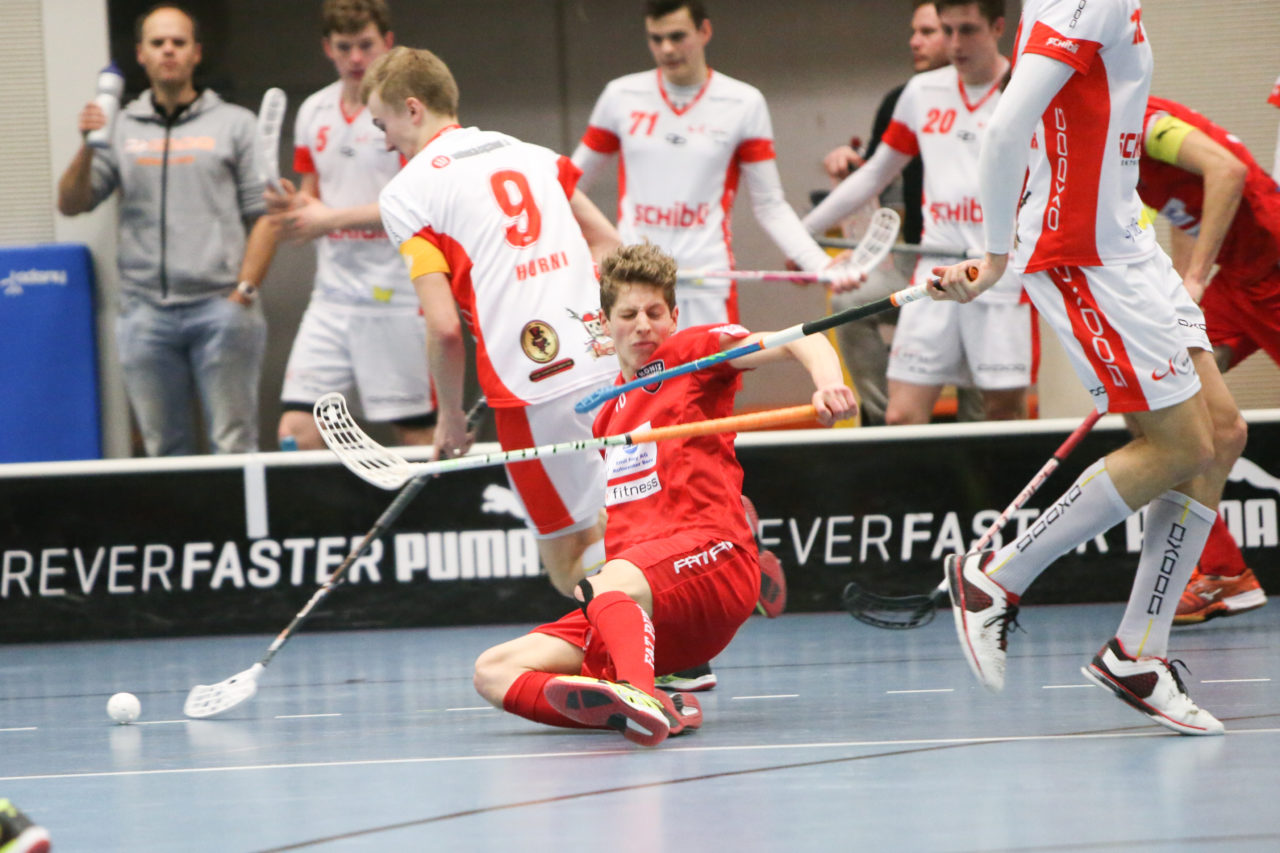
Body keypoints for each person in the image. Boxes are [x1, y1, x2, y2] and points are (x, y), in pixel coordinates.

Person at [931, 0, 1247, 735]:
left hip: (1128, 243)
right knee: (1180, 446)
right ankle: (995, 579)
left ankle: (1138, 651)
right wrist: (996, 253)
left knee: (1223, 433)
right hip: (1082, 254)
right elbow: (1008, 125)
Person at [472, 242, 857, 746]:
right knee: (493, 670)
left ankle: (639, 695)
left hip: (710, 557)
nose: (643, 325)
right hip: (646, 602)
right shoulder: (608, 417)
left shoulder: (692, 355)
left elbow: (794, 340)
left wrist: (828, 384)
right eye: (628, 314)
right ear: (605, 327)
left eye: (655, 313)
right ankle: (634, 704)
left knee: (604, 583)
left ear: (674, 317)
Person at [362, 46, 622, 598]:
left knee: (567, 558)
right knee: (615, 529)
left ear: (412, 109)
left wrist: (451, 417)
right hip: (607, 363)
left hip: (529, 390)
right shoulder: (534, 153)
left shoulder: (406, 194)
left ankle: (645, 654)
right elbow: (609, 244)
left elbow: (445, 328)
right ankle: (672, 649)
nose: (385, 140)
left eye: (382, 124)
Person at [56, 3, 278, 456]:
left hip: (221, 310)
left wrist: (245, 292)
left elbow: (268, 215)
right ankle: (184, 531)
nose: (169, 51)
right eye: (158, 43)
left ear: (197, 52)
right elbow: (72, 202)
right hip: (145, 316)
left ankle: (237, 529)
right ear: (141, 54)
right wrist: (86, 147)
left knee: (233, 444)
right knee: (163, 449)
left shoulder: (235, 124)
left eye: (179, 42)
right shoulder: (120, 127)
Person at [806, 0, 1033, 426]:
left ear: (998, 26)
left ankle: (1004, 496)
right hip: (933, 272)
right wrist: (802, 234)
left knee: (1003, 415)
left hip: (999, 273)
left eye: (967, 30)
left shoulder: (1025, 89)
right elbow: (875, 172)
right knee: (902, 415)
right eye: (946, 30)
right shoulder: (921, 93)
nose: (954, 43)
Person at [570, 0, 858, 330]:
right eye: (656, 38)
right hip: (636, 287)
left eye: (678, 36)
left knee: (710, 382)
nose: (667, 49)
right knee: (639, 383)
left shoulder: (743, 103)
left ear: (704, 31)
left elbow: (770, 206)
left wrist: (820, 264)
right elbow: (569, 187)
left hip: (707, 285)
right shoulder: (620, 96)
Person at [1135, 95, 1278, 624]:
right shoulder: (1107, 151)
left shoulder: (1142, 122)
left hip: (1274, 272)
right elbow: (1180, 210)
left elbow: (1227, 169)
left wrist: (1195, 276)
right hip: (1238, 287)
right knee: (1162, 404)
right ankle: (1222, 574)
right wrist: (1180, 289)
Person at [268, 0, 435, 450]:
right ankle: (330, 523)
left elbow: (418, 202)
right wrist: (293, 206)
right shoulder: (313, 111)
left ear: (388, 43)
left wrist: (328, 219)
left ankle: (429, 522)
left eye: (366, 45)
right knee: (296, 432)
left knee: (417, 434)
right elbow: (313, 196)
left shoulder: (407, 111)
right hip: (332, 297)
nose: (357, 59)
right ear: (328, 48)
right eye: (345, 47)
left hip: (397, 296)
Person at [811, 0, 951, 426]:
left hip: (977, 260)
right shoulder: (902, 100)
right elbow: (874, 172)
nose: (914, 41)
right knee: (849, 301)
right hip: (915, 259)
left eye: (927, 32)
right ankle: (876, 422)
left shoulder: (997, 95)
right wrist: (849, 159)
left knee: (993, 405)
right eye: (914, 31)